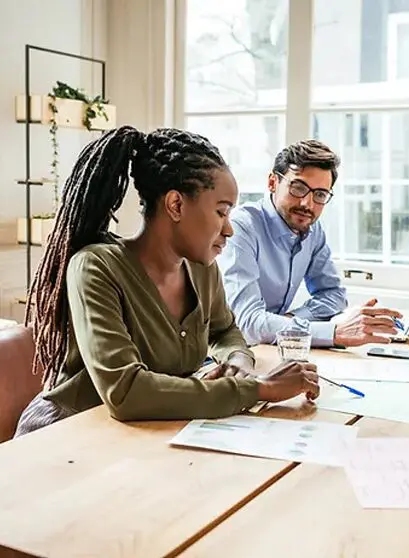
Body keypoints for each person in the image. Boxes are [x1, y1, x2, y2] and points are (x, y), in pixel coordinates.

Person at [15, 127, 320, 437]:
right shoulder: (96, 267)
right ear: (175, 205)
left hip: (145, 435)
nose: (229, 229)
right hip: (63, 435)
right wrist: (259, 389)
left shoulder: (201, 268)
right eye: (221, 212)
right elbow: (126, 391)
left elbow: (224, 330)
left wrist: (239, 361)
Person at [217, 139, 402, 347]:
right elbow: (248, 323)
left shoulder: (311, 228)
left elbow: (334, 295)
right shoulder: (241, 228)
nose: (307, 204)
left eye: (320, 194)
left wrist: (291, 321)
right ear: (272, 182)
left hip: (269, 349)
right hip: (222, 355)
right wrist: (334, 332)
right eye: (298, 188)